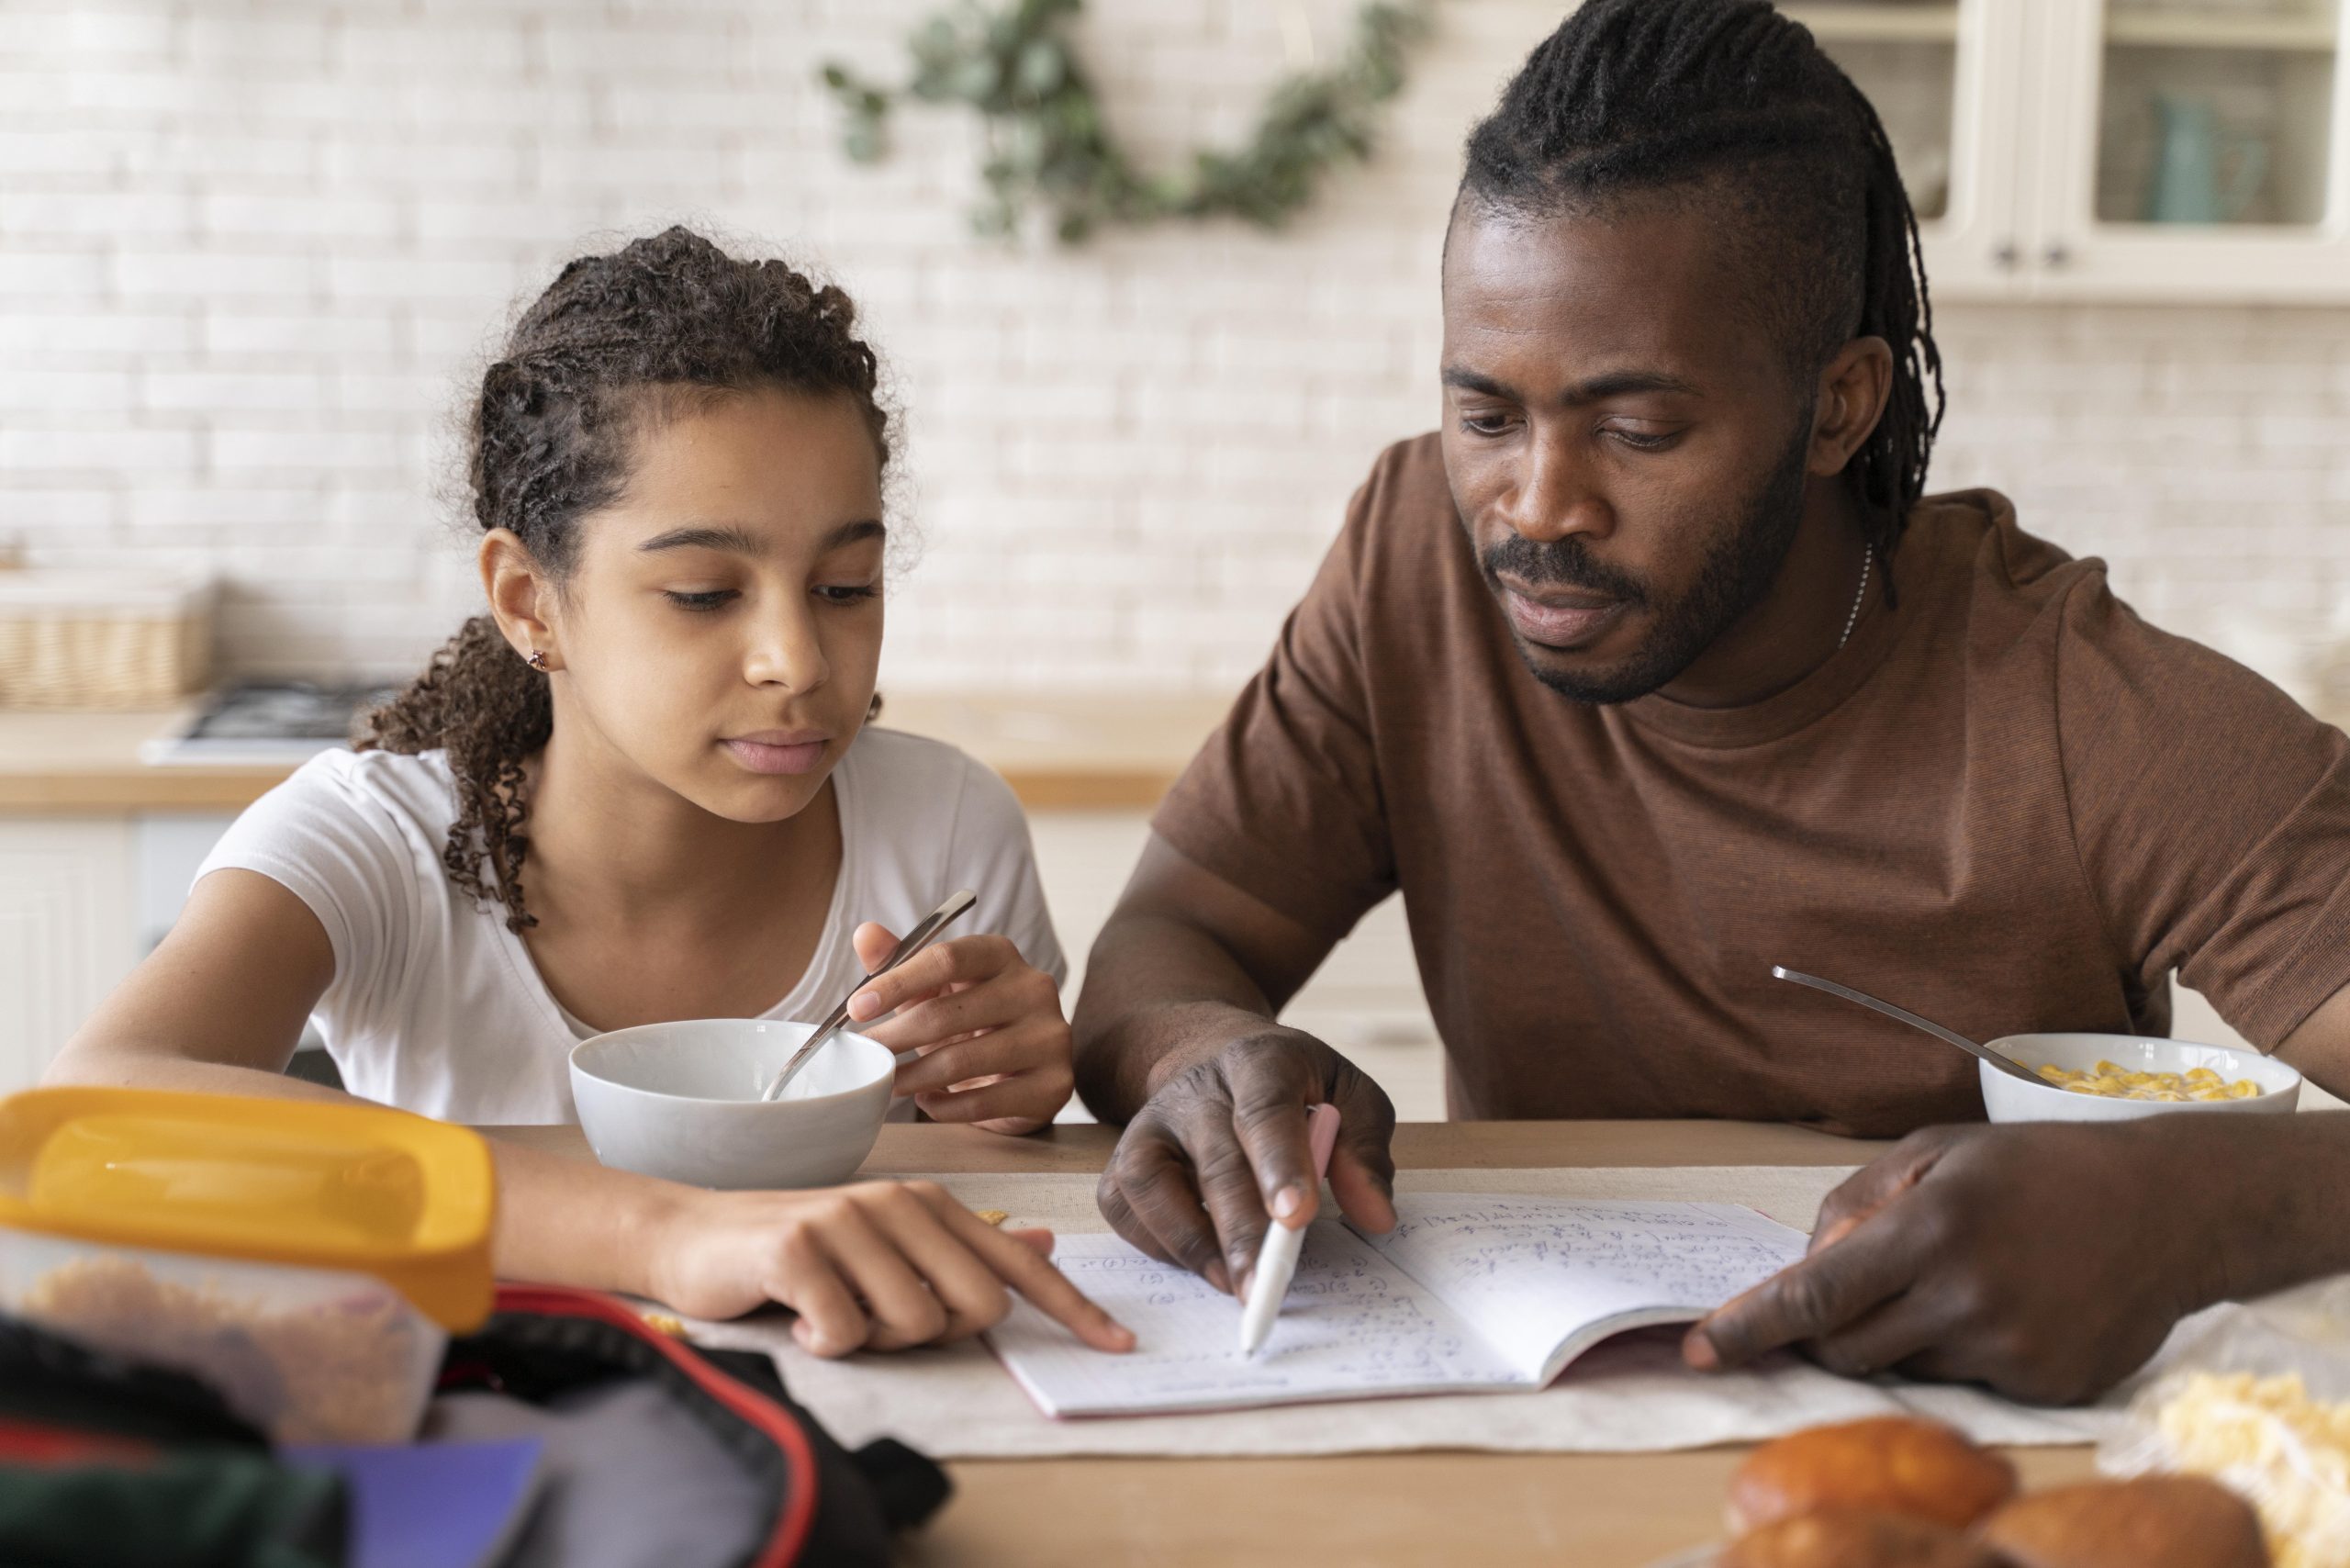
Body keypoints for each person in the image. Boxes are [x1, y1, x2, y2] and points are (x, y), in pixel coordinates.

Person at [1073, 0, 2350, 1406]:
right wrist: (1215, 1058)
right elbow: (1175, 927)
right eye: (1487, 416)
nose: (1536, 507)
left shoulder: (2082, 710)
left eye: (1637, 429)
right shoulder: (1413, 564)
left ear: (1841, 407)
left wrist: (2194, 1210)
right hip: (1529, 1426)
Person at [48, 227, 1132, 1362]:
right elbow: (99, 1119)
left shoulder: (945, 828)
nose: (797, 660)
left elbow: (1013, 1188)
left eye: (843, 585)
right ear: (529, 601)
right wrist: (667, 1233)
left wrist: (1010, 1103)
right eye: (705, 593)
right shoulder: (373, 838)